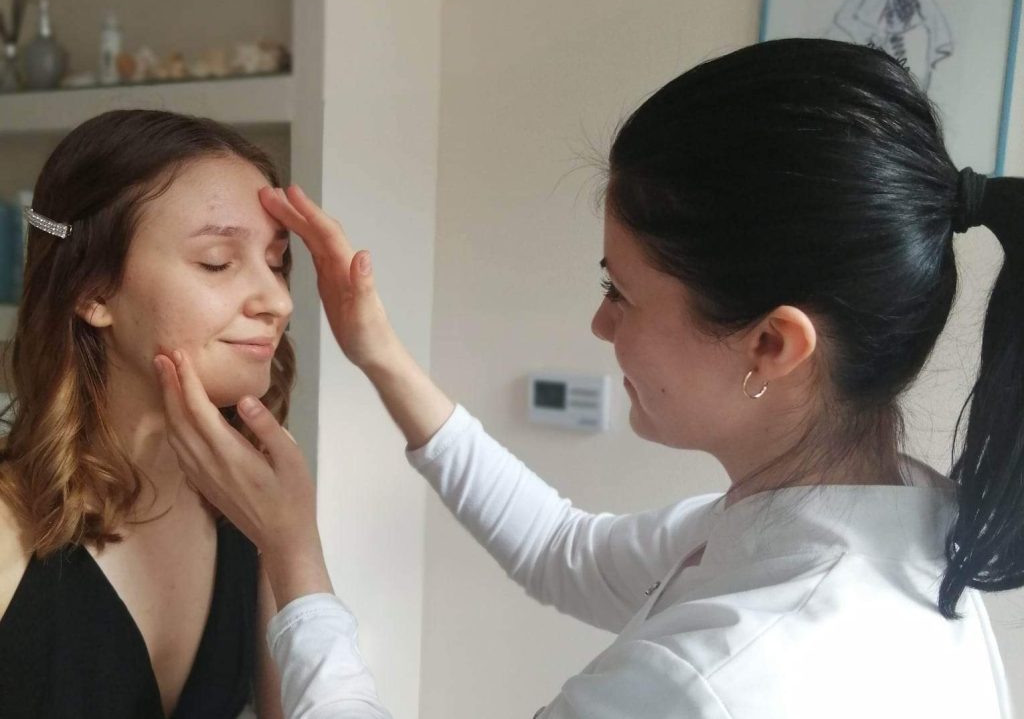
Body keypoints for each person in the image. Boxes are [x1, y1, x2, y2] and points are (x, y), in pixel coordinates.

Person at [157, 38, 1021, 718]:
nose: (601, 324)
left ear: (772, 343)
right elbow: (561, 549)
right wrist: (378, 352)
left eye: (621, 292)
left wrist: (293, 550)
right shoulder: (887, 515)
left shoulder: (722, 677)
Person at [0, 110, 295, 718]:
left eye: (276, 261)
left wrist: (293, 548)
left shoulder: (250, 511)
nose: (278, 301)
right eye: (217, 261)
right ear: (92, 291)